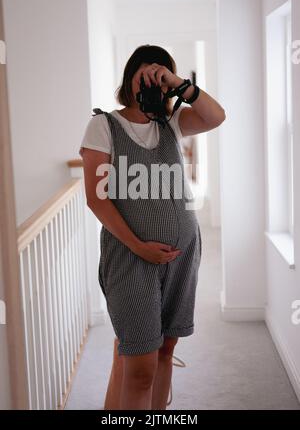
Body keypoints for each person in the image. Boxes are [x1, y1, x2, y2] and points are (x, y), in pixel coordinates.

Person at [79, 44, 226, 410]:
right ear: (129, 78)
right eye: (144, 74)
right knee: (140, 364)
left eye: (159, 77)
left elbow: (216, 116)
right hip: (131, 258)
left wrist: (180, 85)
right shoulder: (104, 125)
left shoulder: (173, 123)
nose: (150, 83)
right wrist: (139, 246)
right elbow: (97, 199)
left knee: (165, 351)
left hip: (182, 256)